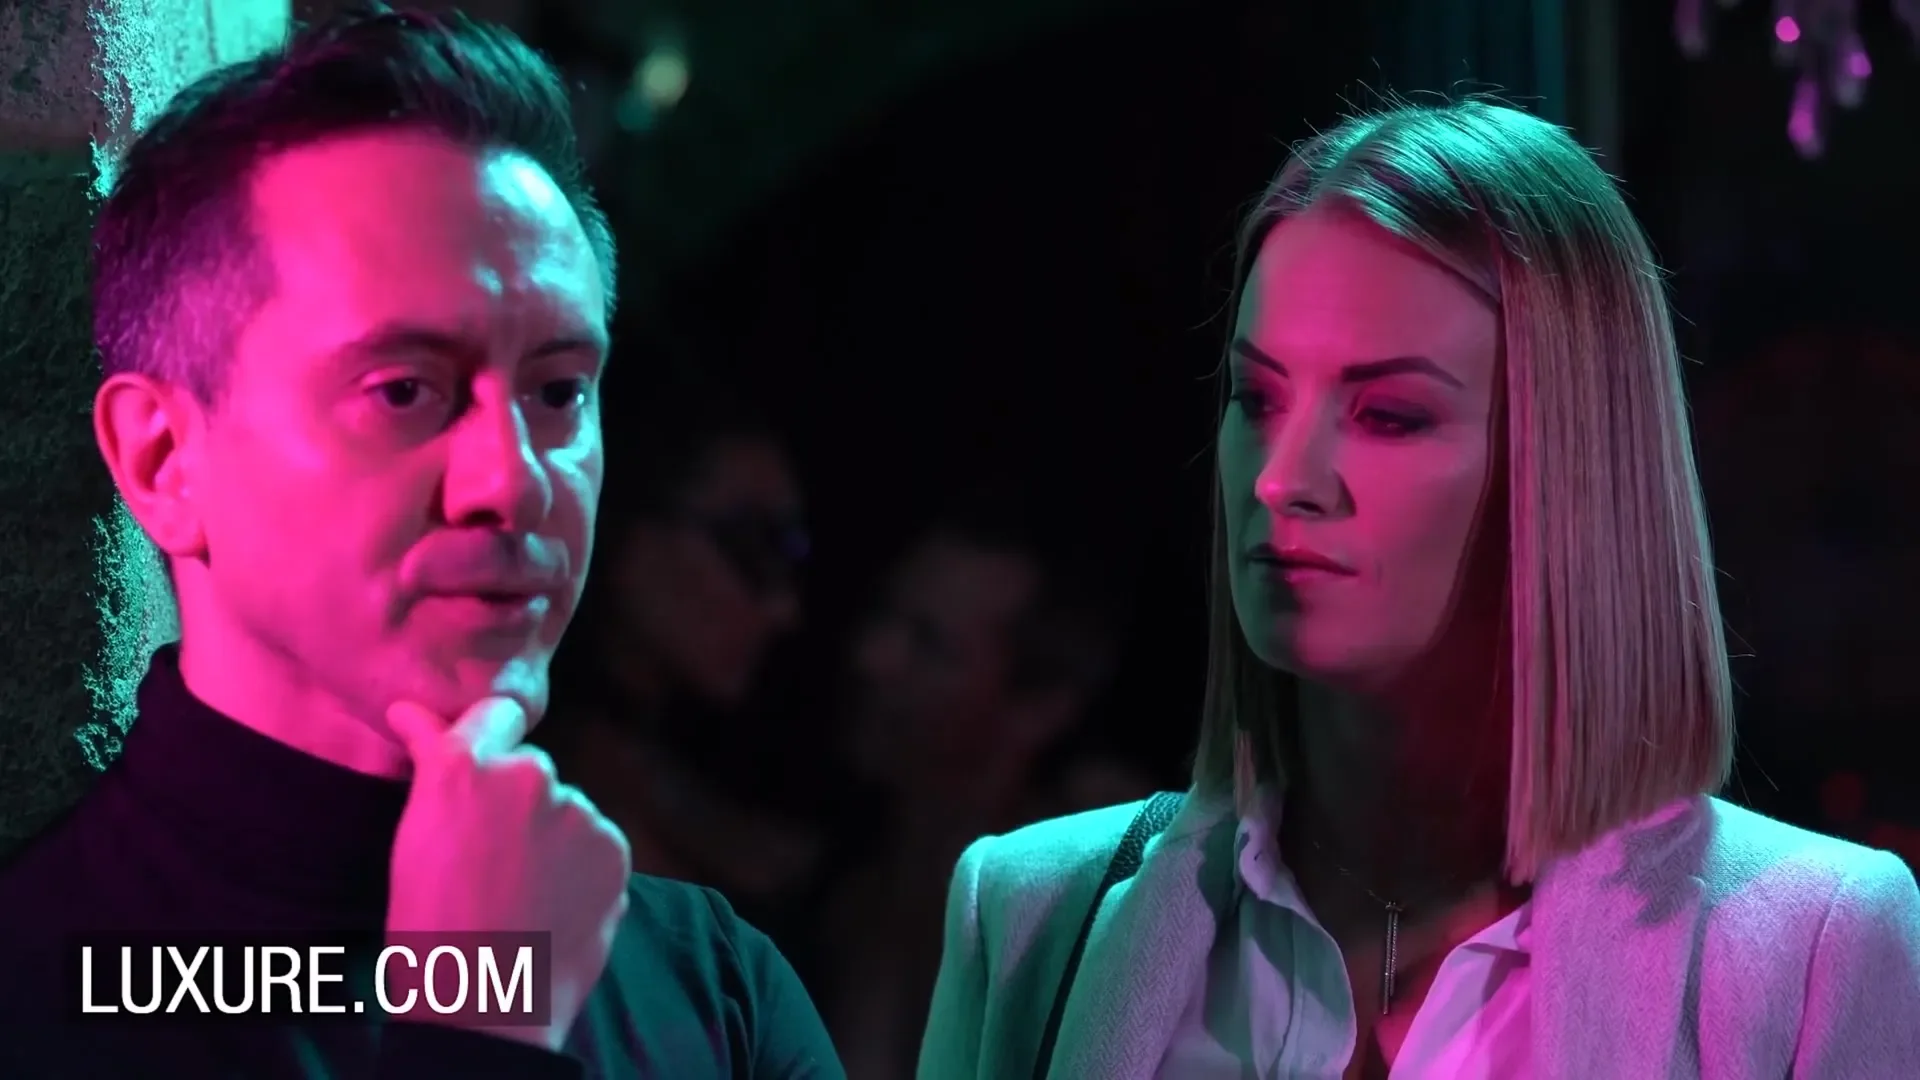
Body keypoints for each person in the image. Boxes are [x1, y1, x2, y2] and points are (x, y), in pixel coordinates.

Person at [916, 100, 1920, 1080]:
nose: (1280, 479)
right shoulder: (1029, 917)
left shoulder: (1810, 947)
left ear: (1566, 467)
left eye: (1389, 414)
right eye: (1256, 398)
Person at [0, 6, 842, 1079]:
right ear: (165, 459)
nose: (512, 480)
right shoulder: (40, 992)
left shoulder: (712, 985)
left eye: (557, 392)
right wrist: (483, 1021)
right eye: (403, 390)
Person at [821, 498, 1147, 1080]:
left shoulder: (1084, 922)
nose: (872, 657)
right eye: (885, 615)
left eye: (929, 645)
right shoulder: (847, 897)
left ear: (1040, 707)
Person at [535, 368, 818, 923]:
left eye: (789, 555)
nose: (783, 608)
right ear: (625, 524)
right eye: (751, 546)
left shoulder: (679, 781)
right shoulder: (532, 782)